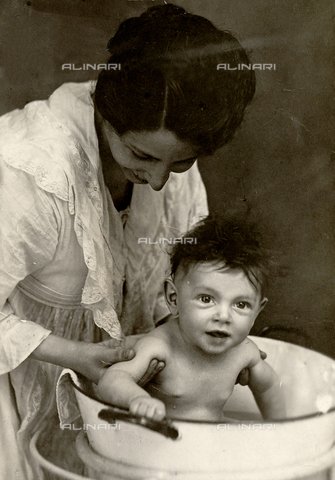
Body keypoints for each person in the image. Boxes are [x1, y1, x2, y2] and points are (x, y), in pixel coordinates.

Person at [0, 3, 256, 479]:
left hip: (119, 401)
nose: (159, 182)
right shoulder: (27, 170)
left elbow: (178, 287)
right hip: (16, 391)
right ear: (107, 112)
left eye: (178, 164)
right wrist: (73, 355)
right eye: (141, 155)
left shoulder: (170, 153)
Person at [98, 216, 286, 422]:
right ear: (173, 298)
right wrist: (138, 399)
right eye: (206, 299)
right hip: (160, 439)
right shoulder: (161, 346)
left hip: (211, 436)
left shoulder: (244, 352)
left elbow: (268, 386)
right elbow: (112, 378)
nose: (223, 317)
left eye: (241, 305)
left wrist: (278, 427)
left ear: (258, 310)